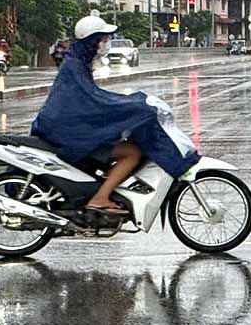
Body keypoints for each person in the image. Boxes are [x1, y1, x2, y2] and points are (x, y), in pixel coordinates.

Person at [31, 15, 200, 213]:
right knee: (132, 152)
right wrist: (130, 106)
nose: (106, 43)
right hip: (70, 134)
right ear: (92, 41)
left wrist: (130, 102)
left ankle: (103, 189)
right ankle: (100, 198)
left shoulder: (78, 62)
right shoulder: (74, 66)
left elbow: (94, 97)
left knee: (123, 142)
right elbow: (93, 100)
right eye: (103, 39)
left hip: (70, 129)